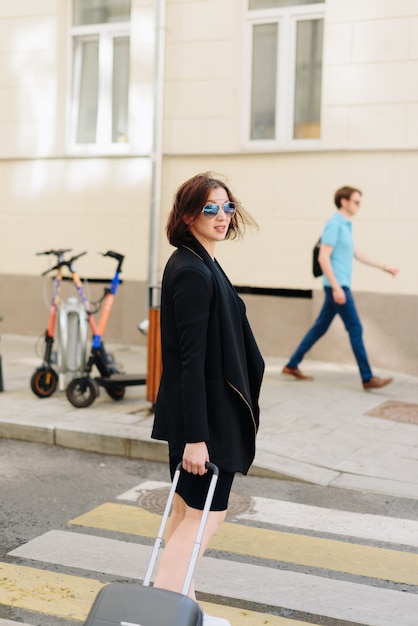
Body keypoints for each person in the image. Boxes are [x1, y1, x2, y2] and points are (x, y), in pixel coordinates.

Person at [151, 172, 264, 626]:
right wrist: (197, 438)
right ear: (187, 215)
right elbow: (190, 363)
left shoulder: (197, 262)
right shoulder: (193, 271)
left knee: (185, 516)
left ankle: (186, 613)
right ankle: (160, 616)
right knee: (203, 519)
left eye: (227, 206)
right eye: (210, 208)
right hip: (205, 422)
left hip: (201, 416)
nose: (222, 216)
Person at [283, 185, 399, 390]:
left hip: (337, 286)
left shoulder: (346, 225)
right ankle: (367, 377)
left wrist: (385, 267)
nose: (359, 205)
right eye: (356, 201)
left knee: (319, 328)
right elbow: (323, 257)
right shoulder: (334, 224)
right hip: (337, 286)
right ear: (343, 201)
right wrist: (336, 288)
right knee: (355, 327)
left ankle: (292, 364)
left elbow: (358, 254)